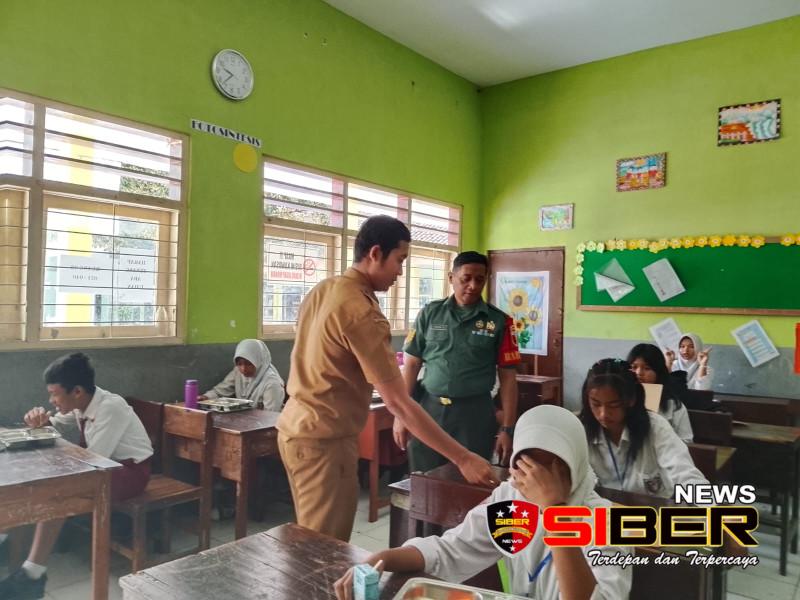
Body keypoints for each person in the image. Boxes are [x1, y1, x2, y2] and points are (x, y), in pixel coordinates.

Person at [277, 215, 494, 542]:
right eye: (400, 260)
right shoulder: (361, 311)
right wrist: (462, 458)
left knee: (309, 534)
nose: (401, 272)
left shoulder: (325, 289)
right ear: (375, 253)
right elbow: (399, 402)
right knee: (324, 547)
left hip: (295, 429)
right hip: (325, 439)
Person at [333, 405, 632, 600]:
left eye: (550, 470)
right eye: (526, 468)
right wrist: (382, 558)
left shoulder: (610, 522)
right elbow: (451, 550)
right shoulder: (511, 500)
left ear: (575, 465)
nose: (536, 483)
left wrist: (555, 512)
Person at [0, 352, 153, 600]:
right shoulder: (83, 403)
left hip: (128, 473)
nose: (51, 400)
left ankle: (32, 574)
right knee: (41, 484)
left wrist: (52, 448)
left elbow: (93, 461)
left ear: (77, 391)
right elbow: (56, 424)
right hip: (101, 468)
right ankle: (17, 556)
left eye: (54, 394)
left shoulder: (110, 408)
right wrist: (40, 422)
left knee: (60, 491)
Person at [396, 251, 520, 471]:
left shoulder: (499, 321)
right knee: (424, 478)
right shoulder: (430, 314)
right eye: (466, 279)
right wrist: (401, 415)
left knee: (471, 480)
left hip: (474, 415)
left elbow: (509, 379)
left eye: (480, 280)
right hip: (429, 411)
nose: (473, 286)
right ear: (451, 277)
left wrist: (507, 429)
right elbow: (412, 365)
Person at [580, 358, 707, 498]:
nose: (603, 414)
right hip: (602, 507)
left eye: (614, 405)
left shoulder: (655, 426)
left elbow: (684, 473)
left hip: (653, 507)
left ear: (631, 399)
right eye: (596, 404)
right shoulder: (581, 430)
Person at [627, 343, 693, 442]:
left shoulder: (673, 406)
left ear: (658, 372)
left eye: (647, 368)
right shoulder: (622, 400)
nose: (639, 373)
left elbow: (686, 440)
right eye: (634, 367)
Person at [199, 339, 285, 411]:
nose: (243, 369)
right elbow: (220, 391)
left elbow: (271, 416)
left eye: (248, 364)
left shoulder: (272, 383)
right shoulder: (237, 372)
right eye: (239, 364)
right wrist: (206, 397)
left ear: (258, 361)